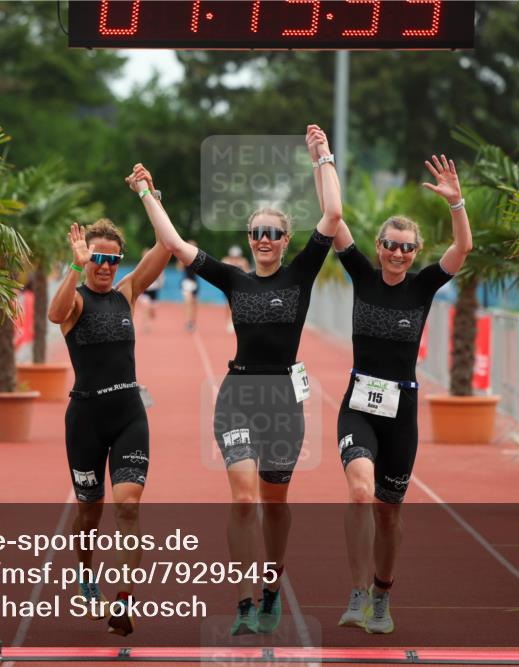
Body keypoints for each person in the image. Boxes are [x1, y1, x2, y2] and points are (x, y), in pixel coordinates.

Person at [129, 123, 342, 635]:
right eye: (256, 233)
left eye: (273, 233)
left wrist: (323, 157)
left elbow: (332, 215)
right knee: (243, 499)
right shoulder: (233, 279)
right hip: (239, 394)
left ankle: (273, 582)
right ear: (248, 240)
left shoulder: (301, 273)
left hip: (284, 402)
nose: (265, 241)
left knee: (274, 502)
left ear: (286, 240)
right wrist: (147, 195)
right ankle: (246, 599)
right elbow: (177, 245)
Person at [320, 154, 472, 634]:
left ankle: (383, 596)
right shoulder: (363, 275)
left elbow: (463, 248)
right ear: (379, 246)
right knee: (361, 493)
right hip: (359, 403)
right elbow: (335, 218)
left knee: (389, 513)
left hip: (401, 410)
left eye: (406, 247)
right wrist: (323, 159)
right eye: (389, 245)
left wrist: (456, 202)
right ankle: (358, 593)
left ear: (415, 251)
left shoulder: (424, 285)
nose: (396, 253)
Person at [47, 191, 172, 635]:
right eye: (97, 258)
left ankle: (122, 600)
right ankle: (86, 575)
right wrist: (74, 267)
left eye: (112, 259)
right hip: (85, 421)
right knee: (89, 513)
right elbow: (53, 313)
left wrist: (150, 200)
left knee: (129, 505)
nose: (104, 266)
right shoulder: (77, 300)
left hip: (128, 416)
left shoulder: (127, 292)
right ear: (87, 259)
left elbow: (166, 246)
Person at [220, 246, 251, 331]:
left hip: (240, 287)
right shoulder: (225, 261)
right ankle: (229, 322)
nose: (235, 258)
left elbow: (247, 273)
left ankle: (240, 322)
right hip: (228, 287)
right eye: (233, 256)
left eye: (236, 256)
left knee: (241, 305)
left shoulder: (243, 262)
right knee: (228, 305)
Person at [179, 241, 200, 331]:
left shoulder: (198, 258)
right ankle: (188, 322)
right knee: (188, 302)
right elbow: (179, 268)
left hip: (195, 283)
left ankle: (192, 322)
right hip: (186, 282)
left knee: (194, 304)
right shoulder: (183, 256)